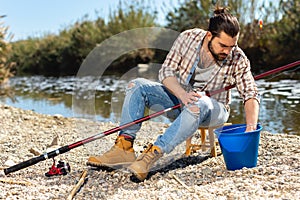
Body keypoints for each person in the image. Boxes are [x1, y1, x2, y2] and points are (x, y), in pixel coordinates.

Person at [87, 6, 260, 181]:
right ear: (209, 35)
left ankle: (151, 156)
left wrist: (251, 127)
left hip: (214, 110)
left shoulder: (238, 58)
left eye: (232, 46)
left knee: (200, 102)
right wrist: (182, 95)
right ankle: (123, 148)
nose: (227, 51)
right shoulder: (188, 38)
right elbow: (165, 72)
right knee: (136, 85)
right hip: (180, 100)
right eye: (223, 45)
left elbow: (250, 92)